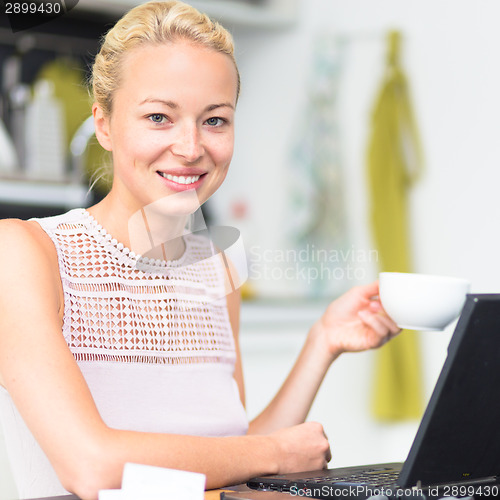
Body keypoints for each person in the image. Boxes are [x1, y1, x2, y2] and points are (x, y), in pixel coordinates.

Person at [0, 1, 401, 499]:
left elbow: (228, 456)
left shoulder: (217, 268)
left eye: (215, 121)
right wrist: (277, 453)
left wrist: (323, 343)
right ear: (104, 123)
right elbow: (92, 467)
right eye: (159, 117)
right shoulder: (25, 254)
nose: (191, 148)